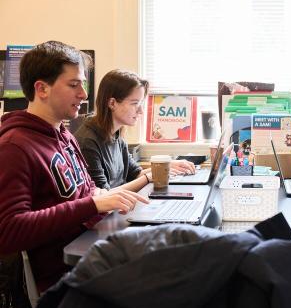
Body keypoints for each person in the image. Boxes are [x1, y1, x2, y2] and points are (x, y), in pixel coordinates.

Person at [0, 41, 148, 292]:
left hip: (92, 256)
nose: (84, 94)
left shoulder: (65, 136)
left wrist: (101, 198)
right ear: (42, 89)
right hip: (65, 280)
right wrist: (93, 203)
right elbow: (8, 231)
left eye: (83, 84)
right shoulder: (14, 146)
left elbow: (88, 193)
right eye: (73, 85)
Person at [74, 69, 196, 192]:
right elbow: (103, 195)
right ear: (112, 103)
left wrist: (167, 165)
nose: (140, 111)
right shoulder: (88, 142)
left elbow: (135, 174)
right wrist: (148, 178)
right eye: (135, 103)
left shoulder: (116, 133)